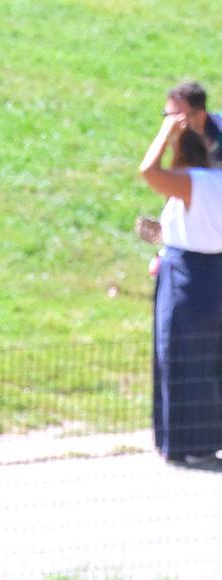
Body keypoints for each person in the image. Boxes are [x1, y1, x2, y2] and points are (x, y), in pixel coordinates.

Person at [140, 110, 222, 468]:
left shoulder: (197, 181)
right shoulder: (200, 183)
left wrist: (165, 130)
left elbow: (148, 171)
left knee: (189, 360)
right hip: (187, 274)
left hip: (195, 282)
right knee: (180, 358)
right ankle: (178, 444)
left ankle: (192, 445)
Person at [163, 81, 222, 166]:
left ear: (201, 115)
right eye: (167, 115)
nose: (172, 122)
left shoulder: (218, 134)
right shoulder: (184, 135)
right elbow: (179, 175)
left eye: (179, 116)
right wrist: (176, 147)